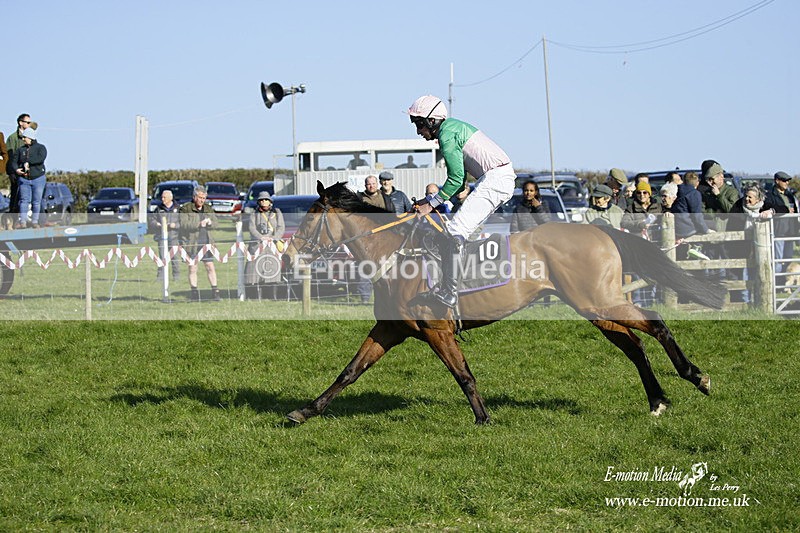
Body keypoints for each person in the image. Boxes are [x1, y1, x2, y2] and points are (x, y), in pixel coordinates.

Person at [409, 94, 516, 308]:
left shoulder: (447, 135)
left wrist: (430, 205)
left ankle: (449, 292)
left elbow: (456, 179)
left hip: (495, 179)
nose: (418, 131)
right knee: (455, 232)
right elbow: (459, 186)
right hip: (496, 177)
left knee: (455, 232)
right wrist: (427, 200)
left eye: (419, 125)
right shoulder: (451, 129)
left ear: (432, 121)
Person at [179, 186, 221, 301]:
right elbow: (183, 224)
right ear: (194, 197)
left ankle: (215, 291)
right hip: (192, 243)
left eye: (204, 198)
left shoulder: (208, 208)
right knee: (193, 268)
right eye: (200, 198)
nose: (202, 200)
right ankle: (194, 292)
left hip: (207, 242)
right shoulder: (185, 208)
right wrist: (198, 224)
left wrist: (210, 222)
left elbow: (216, 223)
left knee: (210, 266)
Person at [245, 191, 285, 291]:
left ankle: (272, 293)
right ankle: (254, 292)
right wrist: (261, 237)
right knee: (254, 271)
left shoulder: (277, 212)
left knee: (273, 270)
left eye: (266, 200)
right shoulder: (254, 214)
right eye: (261, 200)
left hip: (272, 246)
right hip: (258, 246)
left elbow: (281, 227)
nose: (264, 201)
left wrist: (274, 238)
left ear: (270, 202)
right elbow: (252, 228)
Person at [10, 127, 47, 229]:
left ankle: (35, 221)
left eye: (24, 137)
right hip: (24, 179)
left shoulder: (41, 148)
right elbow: (14, 162)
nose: (23, 139)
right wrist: (17, 169)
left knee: (36, 201)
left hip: (38, 178)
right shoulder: (20, 150)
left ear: (30, 137)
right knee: (24, 200)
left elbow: (40, 159)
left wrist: (28, 162)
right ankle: (23, 221)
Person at [765, 171, 798, 273]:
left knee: (788, 258)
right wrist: (785, 210)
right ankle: (777, 280)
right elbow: (768, 206)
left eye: (788, 181)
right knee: (778, 259)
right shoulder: (770, 195)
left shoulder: (790, 195)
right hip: (779, 231)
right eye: (784, 180)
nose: (787, 183)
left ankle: (785, 281)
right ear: (777, 181)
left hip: (790, 231)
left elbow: (795, 211)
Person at [5, 114, 32, 223]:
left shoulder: (30, 137)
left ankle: (25, 219)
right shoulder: (13, 138)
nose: (29, 124)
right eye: (27, 122)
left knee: (25, 197)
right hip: (15, 172)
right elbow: (10, 156)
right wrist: (13, 171)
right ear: (20, 123)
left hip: (27, 172)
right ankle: (13, 220)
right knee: (15, 196)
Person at [698, 161, 739, 232]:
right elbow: (702, 211)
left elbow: (732, 211)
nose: (710, 182)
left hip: (726, 230)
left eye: (712, 179)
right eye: (708, 180)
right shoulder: (707, 193)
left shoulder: (731, 192)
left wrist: (719, 195)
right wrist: (715, 213)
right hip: (710, 230)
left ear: (721, 177)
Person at [152, 189, 181, 281]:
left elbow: (183, 223)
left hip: (174, 237)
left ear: (170, 198)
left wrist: (175, 225)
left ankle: (176, 277)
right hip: (162, 237)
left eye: (164, 197)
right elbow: (152, 220)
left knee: (174, 257)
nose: (162, 199)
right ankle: (160, 277)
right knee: (162, 257)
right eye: (162, 197)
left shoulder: (178, 209)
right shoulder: (158, 209)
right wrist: (157, 224)